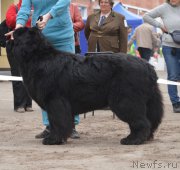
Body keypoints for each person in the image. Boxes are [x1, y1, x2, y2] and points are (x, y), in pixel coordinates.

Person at [6, 0, 78, 138]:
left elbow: (64, 2)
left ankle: (72, 125)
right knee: (44, 85)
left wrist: (49, 15)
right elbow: (24, 9)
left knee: (69, 82)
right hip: (40, 36)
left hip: (63, 35)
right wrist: (18, 29)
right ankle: (49, 126)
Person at [143, 0, 180, 113]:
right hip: (169, 46)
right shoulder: (164, 7)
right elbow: (146, 16)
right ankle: (176, 103)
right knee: (173, 75)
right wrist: (160, 25)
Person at [5, 0, 33, 113]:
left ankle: (28, 104)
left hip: (30, 45)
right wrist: (23, 16)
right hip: (15, 45)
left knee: (29, 75)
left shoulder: (34, 9)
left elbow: (36, 24)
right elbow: (10, 22)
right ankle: (19, 105)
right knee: (17, 74)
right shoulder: (14, 8)